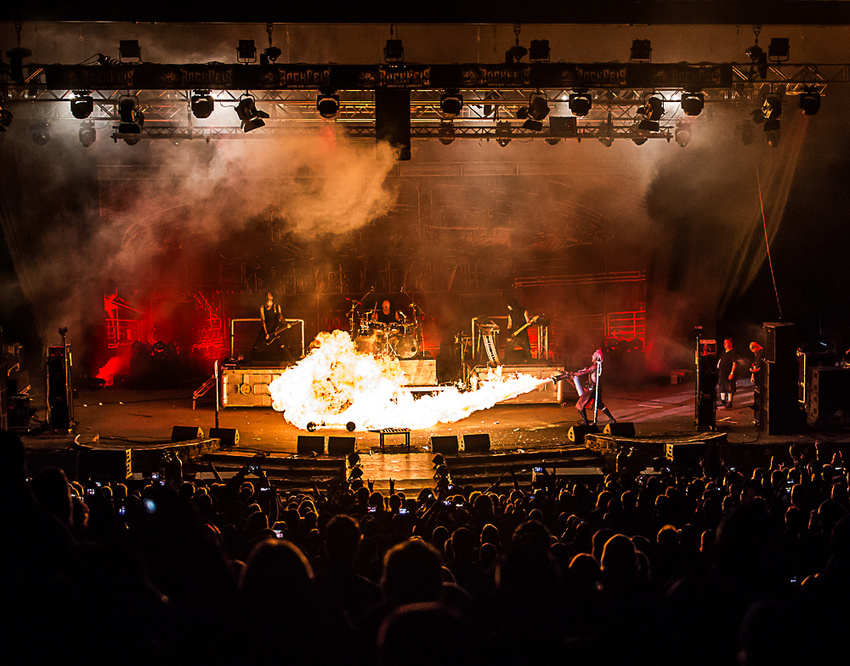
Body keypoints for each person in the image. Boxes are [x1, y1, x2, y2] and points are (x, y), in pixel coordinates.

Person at [554, 348, 617, 425]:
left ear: (597, 358)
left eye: (593, 357)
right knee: (599, 404)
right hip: (596, 388)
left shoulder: (594, 366)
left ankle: (585, 422)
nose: (592, 358)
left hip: (592, 389)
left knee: (580, 404)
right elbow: (586, 371)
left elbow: (584, 373)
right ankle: (612, 419)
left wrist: (573, 374)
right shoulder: (598, 366)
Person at [251, 292, 293, 364]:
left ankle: (291, 359)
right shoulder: (262, 307)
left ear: (272, 297)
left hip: (275, 329)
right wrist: (266, 333)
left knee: (282, 344)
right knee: (257, 344)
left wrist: (286, 324)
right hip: (266, 328)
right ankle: (250, 360)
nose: (268, 296)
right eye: (267, 295)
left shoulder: (277, 306)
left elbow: (281, 316)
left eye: (270, 295)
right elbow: (263, 320)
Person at [505, 298, 533, 363]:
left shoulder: (524, 311)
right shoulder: (510, 314)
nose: (508, 307)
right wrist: (509, 335)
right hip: (514, 335)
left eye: (508, 305)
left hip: (523, 335)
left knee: (527, 349)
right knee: (508, 349)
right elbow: (509, 325)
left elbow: (528, 321)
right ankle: (506, 362)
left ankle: (530, 363)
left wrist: (529, 323)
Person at [717, 338, 739, 409]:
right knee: (722, 387)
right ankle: (723, 401)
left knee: (730, 388)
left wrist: (732, 373)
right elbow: (720, 360)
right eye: (724, 343)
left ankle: (729, 402)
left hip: (728, 374)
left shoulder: (733, 353)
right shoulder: (723, 352)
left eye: (726, 343)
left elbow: (734, 363)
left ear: (730, 344)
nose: (724, 344)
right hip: (722, 373)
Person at [749, 341, 766, 427]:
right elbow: (755, 364)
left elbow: (760, 367)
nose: (753, 352)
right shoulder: (758, 354)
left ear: (755, 347)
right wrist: (752, 374)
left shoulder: (762, 353)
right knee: (757, 394)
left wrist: (753, 371)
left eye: (753, 350)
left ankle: (759, 414)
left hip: (761, 378)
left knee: (760, 396)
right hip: (757, 378)